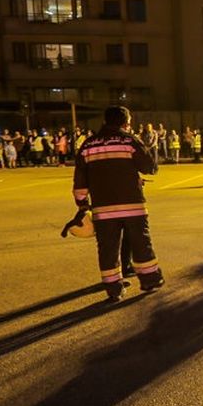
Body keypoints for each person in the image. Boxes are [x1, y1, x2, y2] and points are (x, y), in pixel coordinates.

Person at [72, 106, 164, 302]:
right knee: (141, 243)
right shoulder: (128, 140)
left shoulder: (88, 145)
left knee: (108, 249)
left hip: (103, 209)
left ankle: (114, 289)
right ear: (125, 122)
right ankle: (149, 280)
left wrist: (82, 203)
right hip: (132, 206)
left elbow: (80, 178)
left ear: (105, 121)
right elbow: (149, 167)